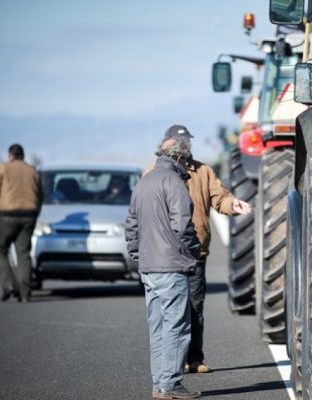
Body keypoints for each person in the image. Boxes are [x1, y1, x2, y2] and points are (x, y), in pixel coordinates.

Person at [143, 124, 252, 374]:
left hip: (195, 253)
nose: (183, 147)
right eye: (177, 142)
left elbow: (219, 197)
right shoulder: (151, 172)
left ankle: (194, 358)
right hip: (165, 254)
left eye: (185, 142)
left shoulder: (203, 171)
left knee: (194, 308)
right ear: (165, 144)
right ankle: (171, 362)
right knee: (167, 310)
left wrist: (232, 204)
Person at [126, 137, 202, 400]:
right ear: (179, 157)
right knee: (177, 327)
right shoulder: (173, 182)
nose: (188, 165)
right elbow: (183, 226)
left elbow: (131, 226)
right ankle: (170, 385)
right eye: (187, 160)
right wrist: (193, 253)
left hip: (149, 267)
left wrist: (138, 256)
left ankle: (160, 384)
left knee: (157, 327)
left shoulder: (144, 182)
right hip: (171, 266)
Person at [0, 144, 42, 302]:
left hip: (8, 216)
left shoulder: (3, 169)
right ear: (22, 156)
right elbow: (40, 195)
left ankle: (8, 284)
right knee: (23, 253)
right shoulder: (32, 171)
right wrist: (35, 212)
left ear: (10, 155)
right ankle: (25, 292)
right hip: (29, 216)